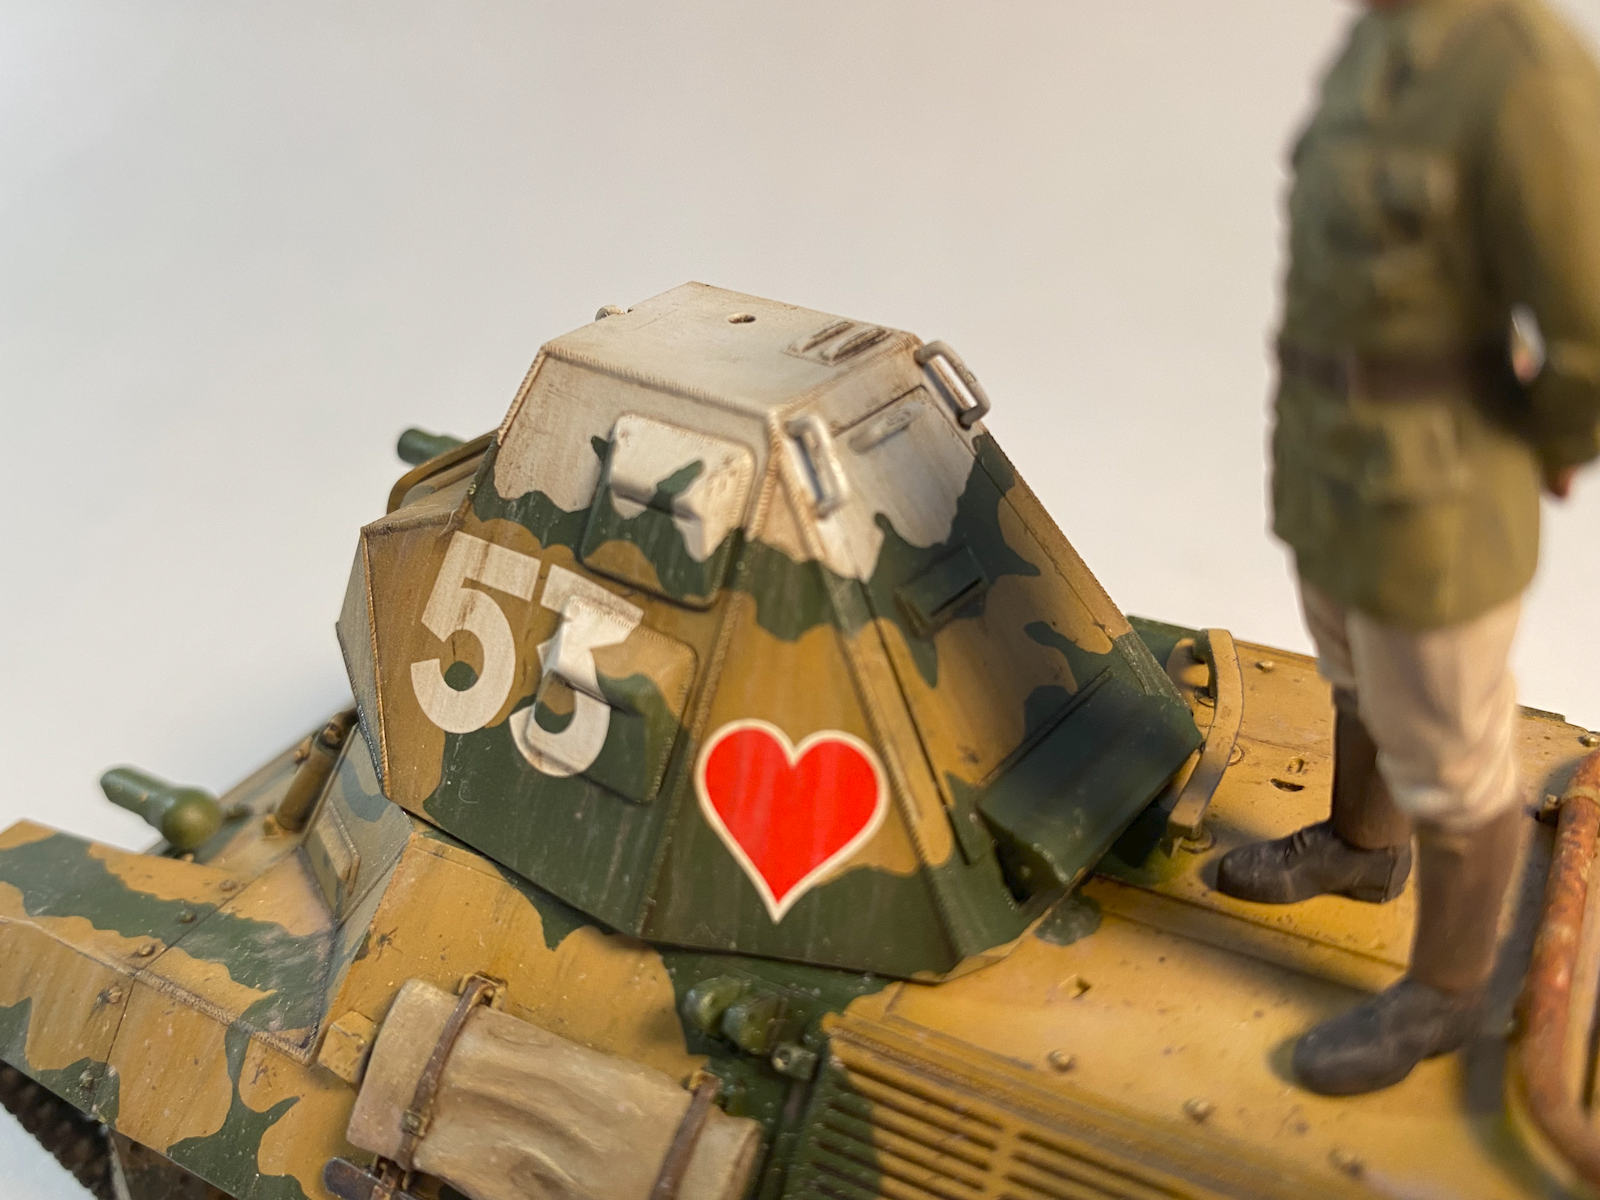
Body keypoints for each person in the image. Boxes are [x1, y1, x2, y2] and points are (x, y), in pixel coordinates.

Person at [1217, 0, 1600, 1096]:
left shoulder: (1522, 69)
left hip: (1440, 486)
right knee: (1356, 675)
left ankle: (1447, 988)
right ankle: (1362, 846)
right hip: (1331, 458)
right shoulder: (1380, 41)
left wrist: (1554, 439)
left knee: (1451, 744)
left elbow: (1588, 317)